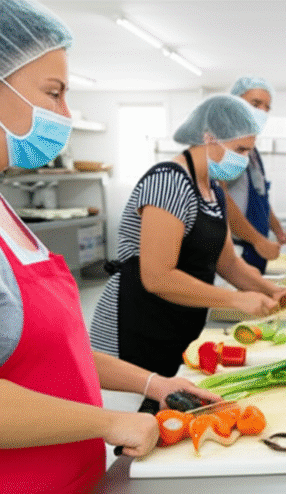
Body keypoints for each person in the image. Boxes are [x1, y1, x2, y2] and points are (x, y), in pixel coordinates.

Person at [0, 1, 217, 492]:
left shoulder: (6, 211)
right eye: (52, 93)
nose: (65, 114)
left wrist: (154, 384)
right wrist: (109, 423)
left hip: (75, 477)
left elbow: (58, 349)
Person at [90, 94, 286, 410]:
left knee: (171, 420)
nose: (244, 158)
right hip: (137, 328)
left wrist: (273, 290)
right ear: (210, 138)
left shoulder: (212, 189)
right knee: (139, 426)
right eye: (240, 149)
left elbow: (226, 262)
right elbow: (158, 277)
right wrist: (236, 299)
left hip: (177, 323)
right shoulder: (169, 182)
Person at [222, 76, 286, 273]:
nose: (261, 111)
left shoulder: (251, 150)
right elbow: (221, 198)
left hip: (254, 248)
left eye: (266, 107)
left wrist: (278, 231)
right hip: (234, 249)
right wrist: (258, 239)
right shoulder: (225, 145)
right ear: (234, 103)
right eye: (255, 104)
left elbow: (260, 198)